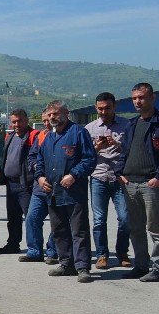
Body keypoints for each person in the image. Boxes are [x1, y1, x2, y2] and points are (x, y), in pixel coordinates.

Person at [34, 101, 95, 283]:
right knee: (59, 230)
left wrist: (74, 175)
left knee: (79, 230)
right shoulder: (49, 138)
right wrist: (40, 178)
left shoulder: (78, 133)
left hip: (73, 191)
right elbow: (40, 161)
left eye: (56, 113)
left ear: (66, 113)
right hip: (53, 192)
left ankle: (82, 267)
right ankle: (66, 263)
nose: (52, 117)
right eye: (50, 114)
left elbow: (89, 159)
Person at [115, 82, 159, 281]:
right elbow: (124, 152)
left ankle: (157, 268)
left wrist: (157, 178)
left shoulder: (157, 123)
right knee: (136, 228)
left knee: (155, 228)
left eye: (141, 97)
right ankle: (141, 265)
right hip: (130, 183)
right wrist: (120, 173)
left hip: (151, 184)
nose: (137, 102)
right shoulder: (132, 124)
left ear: (152, 98)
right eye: (134, 98)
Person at [85, 92, 132, 270]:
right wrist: (97, 147)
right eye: (100, 109)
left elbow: (131, 151)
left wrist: (117, 144)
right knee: (99, 219)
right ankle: (102, 255)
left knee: (125, 218)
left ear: (114, 107)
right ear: (96, 108)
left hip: (120, 178)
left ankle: (122, 252)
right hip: (98, 177)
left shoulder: (126, 125)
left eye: (107, 108)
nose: (103, 112)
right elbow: (86, 156)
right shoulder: (90, 128)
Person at [0, 109, 38, 255]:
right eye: (14, 121)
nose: (17, 124)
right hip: (11, 184)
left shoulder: (33, 136)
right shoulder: (10, 136)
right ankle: (13, 244)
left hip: (26, 184)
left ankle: (35, 249)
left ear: (26, 120)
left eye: (19, 121)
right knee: (13, 218)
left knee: (30, 218)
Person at [21, 110, 59, 264]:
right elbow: (32, 157)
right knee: (32, 218)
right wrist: (38, 168)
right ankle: (35, 251)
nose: (46, 123)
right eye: (43, 121)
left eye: (48, 120)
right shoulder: (41, 136)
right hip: (39, 187)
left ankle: (53, 251)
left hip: (58, 187)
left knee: (57, 221)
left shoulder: (66, 134)